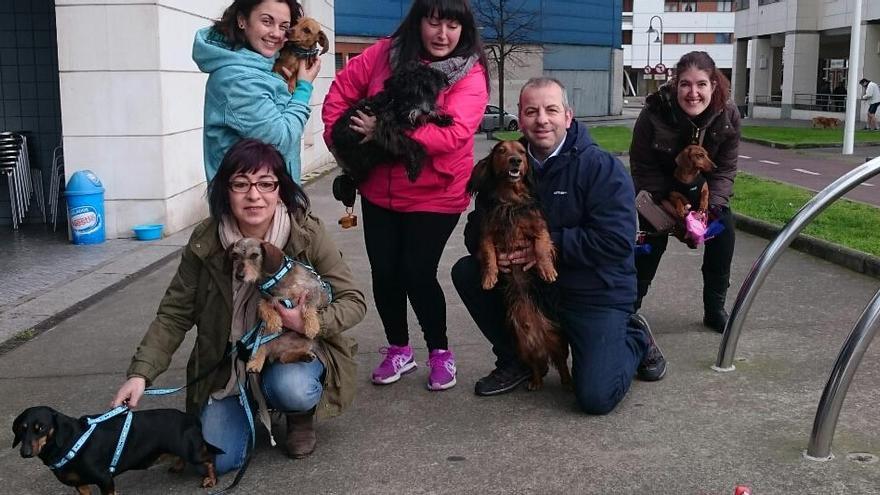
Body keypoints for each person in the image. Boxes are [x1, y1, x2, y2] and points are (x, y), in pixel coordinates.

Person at [111, 139, 366, 474]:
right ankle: (246, 407)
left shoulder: (305, 232)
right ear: (225, 190)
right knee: (217, 459)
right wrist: (140, 374)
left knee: (292, 388)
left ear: (279, 189)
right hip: (230, 362)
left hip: (296, 348)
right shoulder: (206, 241)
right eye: (240, 184)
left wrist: (306, 322)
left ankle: (298, 416)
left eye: (265, 184)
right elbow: (175, 313)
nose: (254, 195)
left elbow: (353, 301)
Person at [451, 77, 667, 414]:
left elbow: (617, 241)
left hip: (593, 291)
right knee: (467, 271)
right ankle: (517, 359)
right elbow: (476, 228)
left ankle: (635, 337)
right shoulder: (508, 161)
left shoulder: (600, 167)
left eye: (551, 110)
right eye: (531, 111)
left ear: (568, 116)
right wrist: (494, 254)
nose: (541, 120)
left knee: (595, 396)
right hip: (538, 290)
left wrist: (545, 247)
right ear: (520, 118)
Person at [322, 0, 489, 391]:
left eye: (452, 25)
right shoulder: (383, 53)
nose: (443, 34)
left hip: (437, 192)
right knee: (385, 272)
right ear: (418, 23)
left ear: (464, 29)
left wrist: (383, 132)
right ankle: (399, 348)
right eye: (434, 22)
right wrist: (342, 144)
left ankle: (439, 351)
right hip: (379, 188)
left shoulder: (470, 73)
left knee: (417, 271)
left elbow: (453, 134)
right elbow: (339, 96)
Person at [629, 51, 740, 333]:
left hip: (701, 196)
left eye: (701, 84)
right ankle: (629, 306)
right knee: (649, 236)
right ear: (676, 84)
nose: (693, 93)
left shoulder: (728, 115)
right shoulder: (654, 113)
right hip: (659, 195)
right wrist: (672, 210)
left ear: (713, 86)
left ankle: (715, 309)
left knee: (723, 229)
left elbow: (725, 170)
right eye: (686, 84)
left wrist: (708, 211)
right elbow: (642, 168)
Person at [193, 0, 322, 183]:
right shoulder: (238, 80)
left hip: (270, 199)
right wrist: (303, 89)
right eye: (267, 21)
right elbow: (280, 143)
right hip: (251, 204)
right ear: (242, 21)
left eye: (284, 26)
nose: (277, 33)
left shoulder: (266, 68)